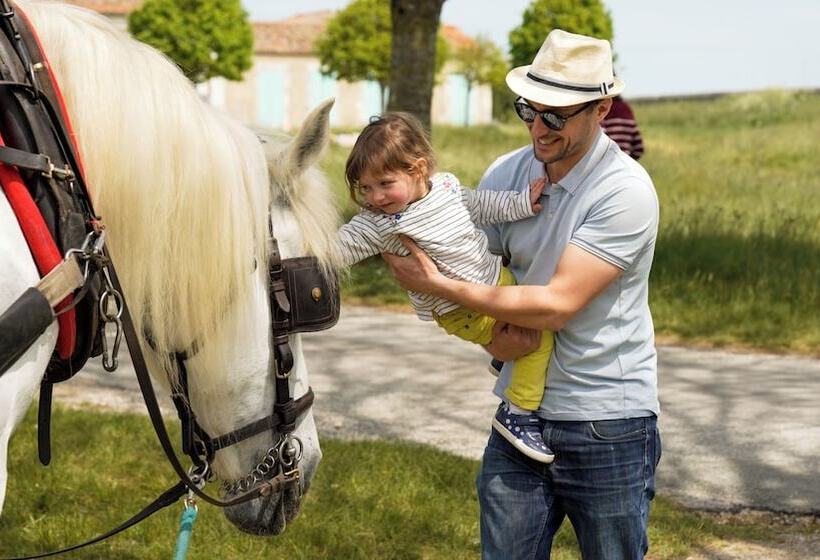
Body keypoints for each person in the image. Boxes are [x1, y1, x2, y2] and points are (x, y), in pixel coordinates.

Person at [382, 29, 661, 559]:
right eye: (528, 110)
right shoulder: (506, 174)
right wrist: (492, 345)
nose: (539, 126)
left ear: (601, 110)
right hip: (519, 416)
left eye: (556, 115)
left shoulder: (625, 192)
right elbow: (476, 278)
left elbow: (556, 305)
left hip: (608, 422)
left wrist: (433, 285)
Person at [336, 112, 555, 463]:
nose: (376, 197)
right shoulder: (377, 224)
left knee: (534, 305)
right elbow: (336, 248)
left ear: (418, 169)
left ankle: (504, 358)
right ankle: (519, 413)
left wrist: (521, 203)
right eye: (366, 188)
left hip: (498, 283)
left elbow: (481, 205)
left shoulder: (448, 188)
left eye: (385, 183)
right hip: (461, 309)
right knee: (540, 337)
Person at [601, 95, 644, 159]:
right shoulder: (627, 109)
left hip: (606, 162)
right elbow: (639, 149)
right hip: (625, 161)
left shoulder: (603, 110)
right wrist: (628, 161)